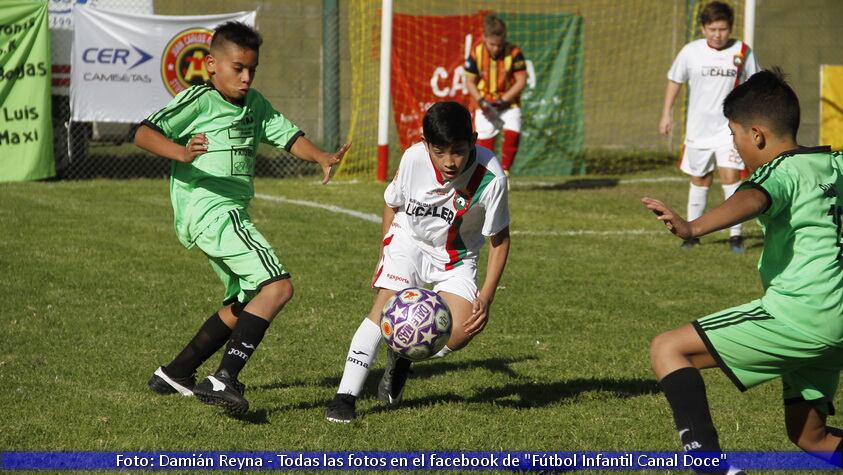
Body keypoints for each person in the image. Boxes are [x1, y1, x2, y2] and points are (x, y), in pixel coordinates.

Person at [134, 21, 350, 416]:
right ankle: (223, 378)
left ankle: (175, 372)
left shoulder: (255, 104)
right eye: (238, 68)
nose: (246, 77)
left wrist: (320, 155)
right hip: (211, 209)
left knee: (246, 300)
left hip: (225, 213)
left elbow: (285, 135)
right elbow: (144, 134)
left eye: (252, 69)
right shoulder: (199, 100)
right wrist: (182, 152)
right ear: (211, 64)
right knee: (278, 287)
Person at [643, 68, 843, 471]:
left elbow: (754, 198)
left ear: (757, 135)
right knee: (810, 435)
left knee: (668, 348)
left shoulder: (779, 171)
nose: (735, 147)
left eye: (734, 136)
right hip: (836, 317)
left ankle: (707, 466)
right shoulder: (834, 161)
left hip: (802, 314)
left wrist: (693, 226)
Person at [325, 101, 511, 423]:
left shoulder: (491, 177)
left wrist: (486, 296)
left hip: (457, 256)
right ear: (425, 144)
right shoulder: (413, 158)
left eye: (458, 151)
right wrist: (387, 254)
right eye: (439, 152)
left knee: (461, 331)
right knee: (384, 306)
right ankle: (345, 397)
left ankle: (400, 354)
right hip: (410, 240)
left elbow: (500, 240)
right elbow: (391, 203)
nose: (449, 162)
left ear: (474, 139)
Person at [658, 1, 760, 253]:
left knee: (730, 176)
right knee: (701, 178)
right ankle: (691, 234)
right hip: (698, 131)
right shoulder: (690, 52)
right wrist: (665, 113)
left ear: (730, 28)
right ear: (703, 28)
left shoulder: (742, 52)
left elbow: (756, 83)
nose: (717, 34)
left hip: (730, 130)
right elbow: (674, 80)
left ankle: (735, 235)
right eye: (712, 29)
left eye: (723, 29)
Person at [464, 13, 527, 178]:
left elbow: (521, 81)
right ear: (484, 37)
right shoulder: (476, 53)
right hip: (485, 103)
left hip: (508, 102)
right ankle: (486, 176)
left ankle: (505, 173)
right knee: (484, 145)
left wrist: (503, 101)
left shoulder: (514, 52)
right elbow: (470, 82)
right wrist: (481, 101)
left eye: (499, 45)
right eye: (492, 44)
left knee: (514, 132)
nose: (496, 49)